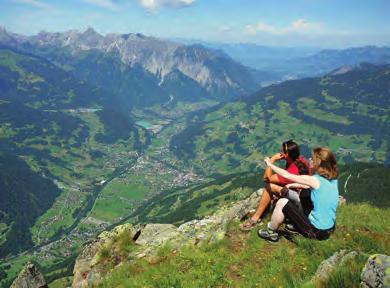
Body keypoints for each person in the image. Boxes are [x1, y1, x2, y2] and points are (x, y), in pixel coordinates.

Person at [258, 147, 339, 242]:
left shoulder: (315, 180)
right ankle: (296, 225)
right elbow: (314, 188)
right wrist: (294, 184)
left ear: (318, 163)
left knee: (282, 202)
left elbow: (287, 175)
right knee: (306, 193)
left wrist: (270, 164)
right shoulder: (333, 179)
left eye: (312, 159)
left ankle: (271, 233)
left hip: (316, 232)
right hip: (330, 228)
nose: (310, 160)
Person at [239, 140, 310, 231]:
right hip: (304, 195)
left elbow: (266, 178)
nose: (280, 152)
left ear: (287, 154)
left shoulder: (290, 172)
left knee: (270, 186)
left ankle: (255, 218)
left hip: (300, 202)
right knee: (276, 185)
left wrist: (271, 161)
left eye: (282, 151)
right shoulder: (299, 159)